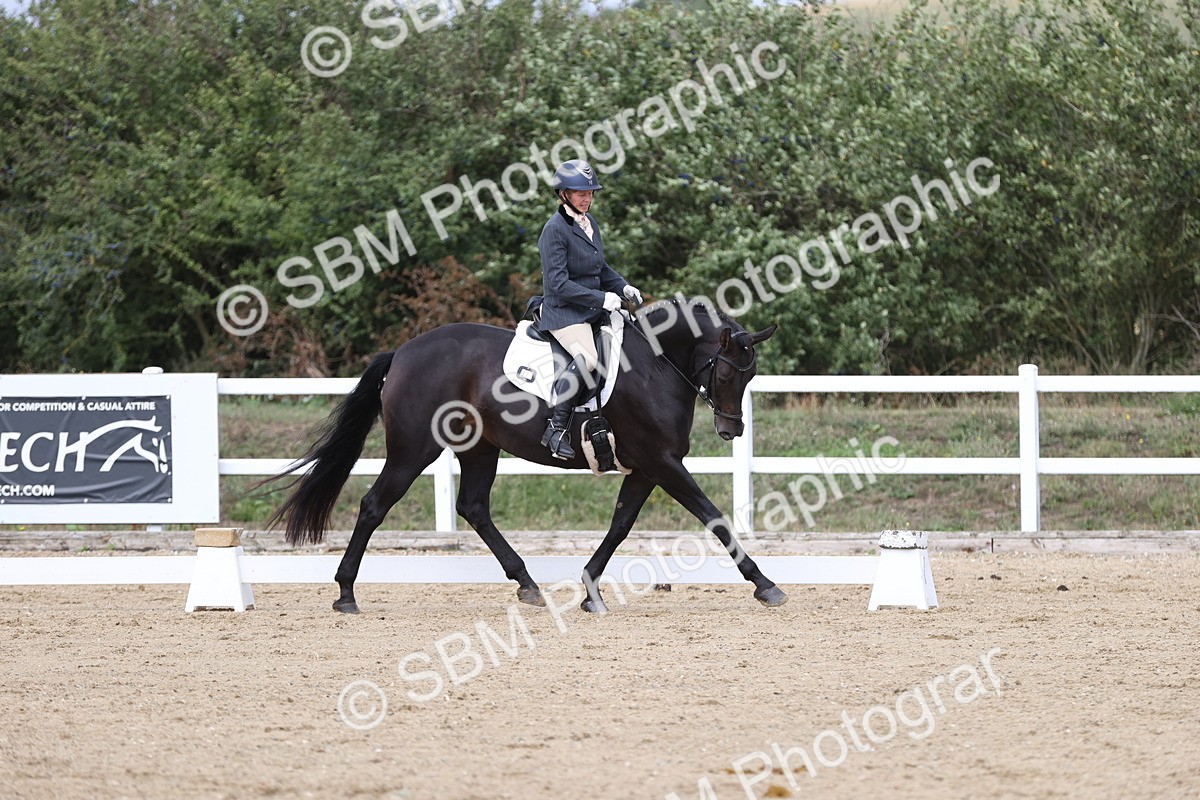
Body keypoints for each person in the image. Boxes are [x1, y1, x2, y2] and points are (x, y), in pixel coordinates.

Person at [537, 159, 643, 460]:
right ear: (563, 194)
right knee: (589, 358)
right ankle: (556, 429)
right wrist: (600, 299)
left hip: (591, 309)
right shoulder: (553, 230)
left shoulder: (589, 223)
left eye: (590, 193)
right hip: (565, 312)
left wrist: (622, 287)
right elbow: (558, 284)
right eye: (580, 193)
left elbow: (600, 267)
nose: (587, 198)